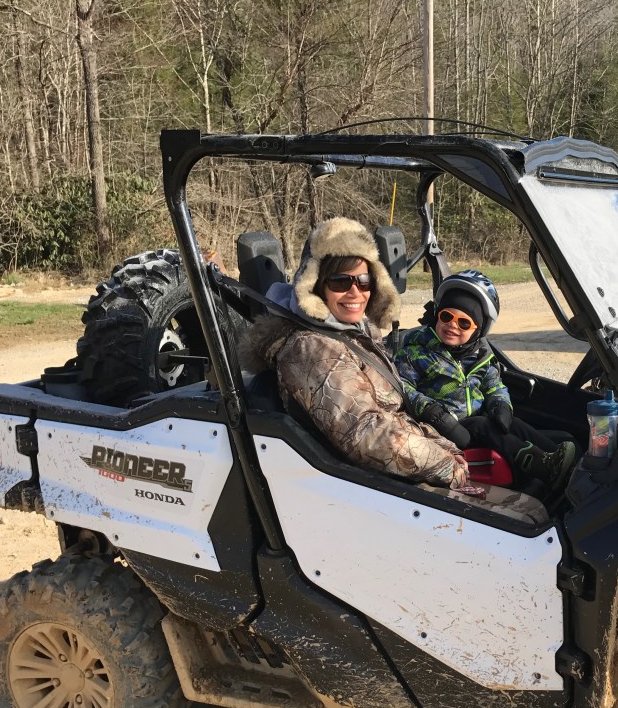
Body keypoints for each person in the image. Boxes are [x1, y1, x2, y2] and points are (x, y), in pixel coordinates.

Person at [242, 217, 544, 522]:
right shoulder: (313, 349)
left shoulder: (348, 334)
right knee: (530, 518)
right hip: (368, 486)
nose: (355, 292)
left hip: (396, 468)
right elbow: (366, 434)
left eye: (364, 281)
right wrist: (446, 462)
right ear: (315, 285)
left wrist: (443, 444)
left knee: (532, 494)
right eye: (340, 282)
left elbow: (392, 412)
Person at [396, 270, 577, 497]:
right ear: (436, 316)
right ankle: (542, 467)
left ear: (478, 330)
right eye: (446, 316)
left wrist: (501, 405)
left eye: (464, 323)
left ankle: (561, 460)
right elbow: (403, 386)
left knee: (512, 424)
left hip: (475, 420)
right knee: (484, 425)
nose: (453, 325)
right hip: (441, 426)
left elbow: (494, 385)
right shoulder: (416, 353)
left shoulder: (480, 356)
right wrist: (433, 412)